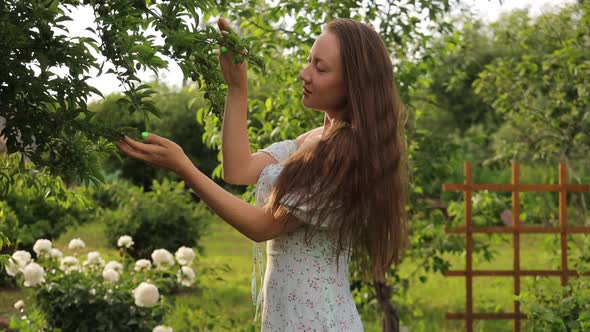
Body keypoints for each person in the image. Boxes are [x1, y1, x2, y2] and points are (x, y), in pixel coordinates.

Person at [116, 16, 408, 332]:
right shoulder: (315, 139)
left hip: (315, 321)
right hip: (293, 316)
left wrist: (184, 168)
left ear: (354, 84)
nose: (304, 73)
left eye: (320, 69)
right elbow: (238, 169)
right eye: (309, 61)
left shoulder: (344, 152)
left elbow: (262, 225)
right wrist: (238, 88)